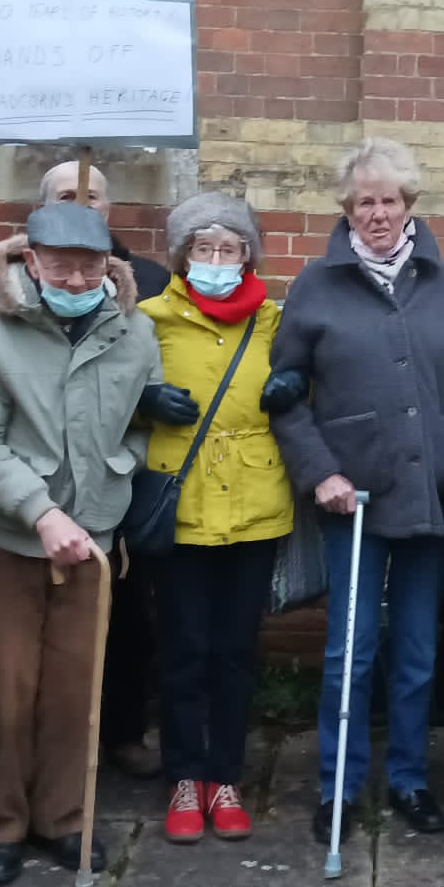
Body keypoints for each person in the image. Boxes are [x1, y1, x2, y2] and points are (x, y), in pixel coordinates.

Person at [269, 139, 444, 843]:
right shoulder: (315, 286)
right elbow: (285, 395)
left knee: (418, 649)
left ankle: (409, 779)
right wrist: (320, 473)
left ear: (409, 204)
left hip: (430, 494)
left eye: (389, 200)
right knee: (351, 648)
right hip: (352, 501)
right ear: (346, 209)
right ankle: (338, 785)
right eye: (363, 201)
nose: (377, 213)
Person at [0, 202, 161, 887]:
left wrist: (120, 472)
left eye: (89, 266)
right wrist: (40, 512)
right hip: (5, 540)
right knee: (7, 687)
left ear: (109, 265)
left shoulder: (134, 330)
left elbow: (140, 419)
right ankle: (2, 822)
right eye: (60, 265)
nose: (75, 280)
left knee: (77, 690)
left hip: (93, 536)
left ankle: (65, 817)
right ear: (31, 260)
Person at [139, 193, 297, 844]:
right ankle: (184, 775)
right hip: (181, 507)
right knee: (183, 651)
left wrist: (296, 384)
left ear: (246, 257)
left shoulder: (275, 322)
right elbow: (111, 392)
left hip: (254, 508)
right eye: (203, 248)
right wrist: (144, 399)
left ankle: (225, 776)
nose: (215, 259)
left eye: (228, 248)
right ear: (182, 256)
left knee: (234, 652)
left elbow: (310, 380)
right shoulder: (148, 319)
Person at [39, 158, 170, 781]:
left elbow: (157, 367)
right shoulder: (22, 279)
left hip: (116, 485)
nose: (82, 204)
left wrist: (147, 416)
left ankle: (121, 730)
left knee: (126, 618)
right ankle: (48, 748)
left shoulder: (149, 280)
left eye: (93, 196)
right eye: (67, 194)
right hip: (40, 488)